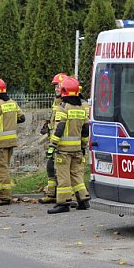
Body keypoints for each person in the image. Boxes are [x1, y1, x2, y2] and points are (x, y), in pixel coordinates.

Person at [46, 76, 91, 214]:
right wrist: (83, 146)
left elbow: (59, 128)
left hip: (63, 150)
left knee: (63, 175)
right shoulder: (81, 109)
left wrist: (52, 145)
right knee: (76, 175)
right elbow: (85, 130)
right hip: (77, 149)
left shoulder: (63, 108)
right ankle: (83, 200)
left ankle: (63, 203)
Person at [0, 76, 26, 206]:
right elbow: (22, 118)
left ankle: (4, 197)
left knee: (0, 169)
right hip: (11, 141)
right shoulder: (13, 103)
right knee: (4, 167)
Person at [39, 72, 66, 204]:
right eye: (55, 86)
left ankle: (64, 197)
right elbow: (55, 121)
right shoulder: (56, 102)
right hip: (53, 141)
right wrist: (47, 126)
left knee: (60, 170)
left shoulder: (67, 103)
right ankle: (51, 193)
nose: (56, 89)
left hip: (62, 143)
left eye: (59, 86)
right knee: (50, 166)